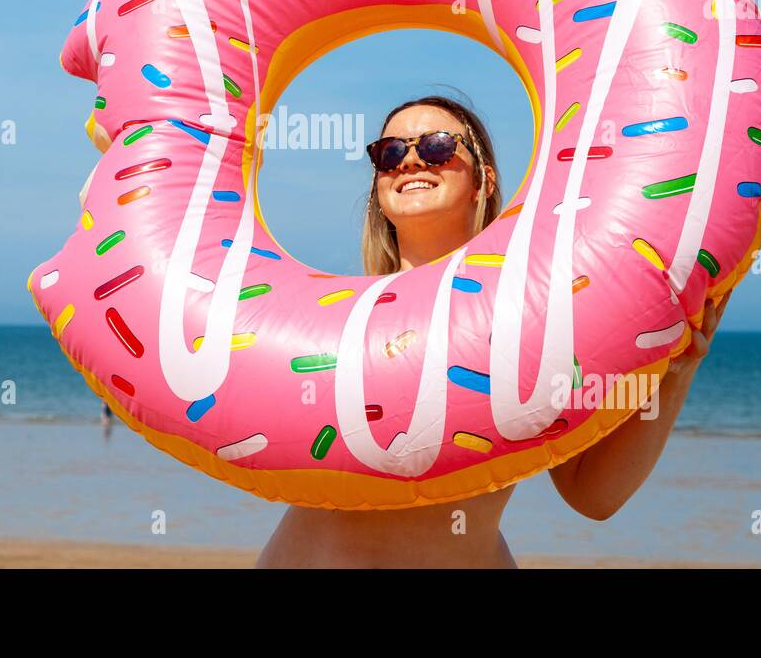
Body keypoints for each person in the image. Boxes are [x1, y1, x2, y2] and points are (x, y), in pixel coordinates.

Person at [257, 95, 731, 568]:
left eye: (439, 146)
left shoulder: (528, 320)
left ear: (484, 181)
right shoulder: (334, 323)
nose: (411, 160)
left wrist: (679, 369)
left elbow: (593, 495)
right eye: (390, 152)